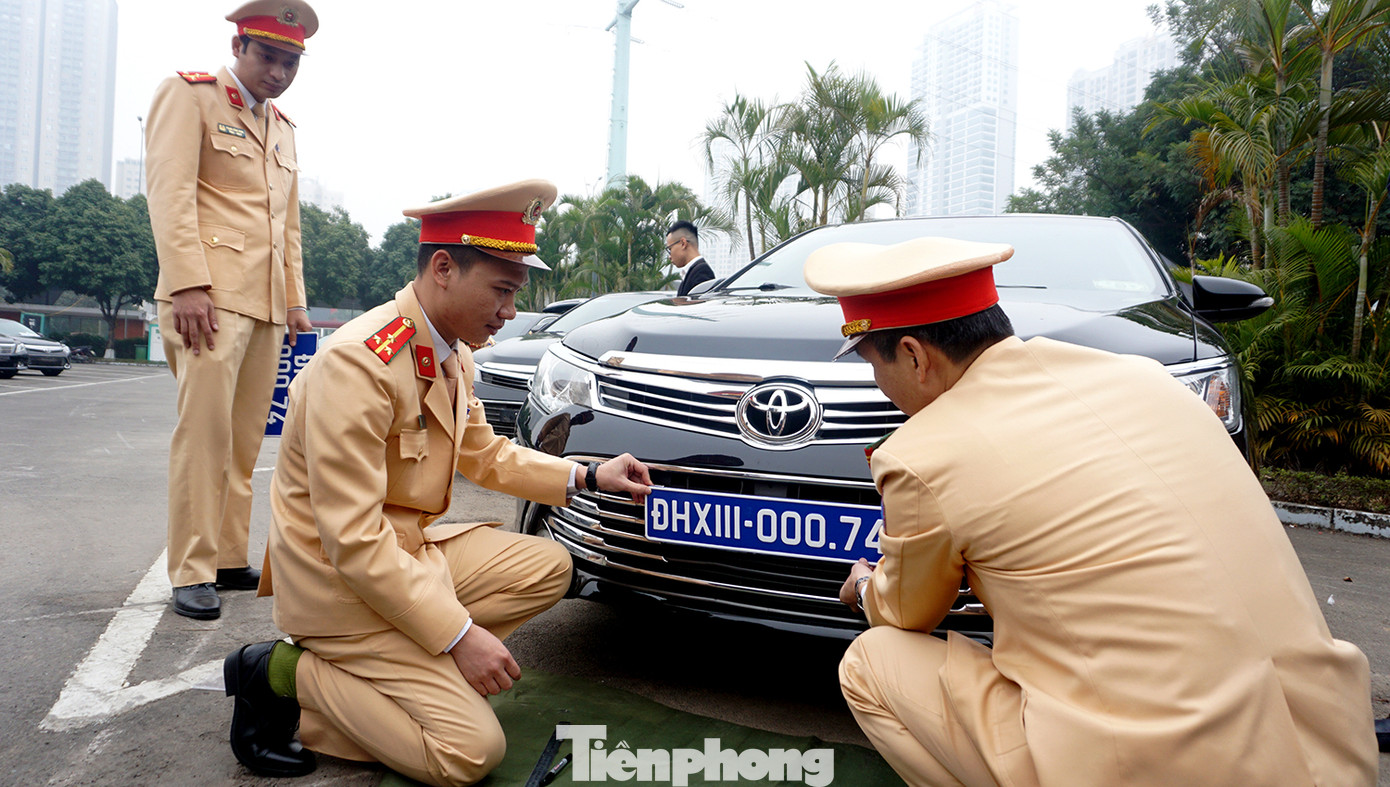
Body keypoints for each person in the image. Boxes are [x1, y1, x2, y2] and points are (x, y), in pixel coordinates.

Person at [802, 237, 1379, 786]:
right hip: (1329, 751)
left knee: (870, 662)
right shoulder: (1144, 378)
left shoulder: (924, 452)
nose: (879, 384)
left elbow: (906, 614)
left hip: (1159, 767)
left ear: (913, 355)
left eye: (872, 364)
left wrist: (865, 584)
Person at [222, 180, 653, 785]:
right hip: (341, 584)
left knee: (551, 566)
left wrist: (586, 475)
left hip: (408, 554)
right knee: (468, 753)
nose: (510, 310)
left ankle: (405, 676)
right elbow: (352, 541)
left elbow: (483, 453)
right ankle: (282, 671)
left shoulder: (451, 349)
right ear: (444, 268)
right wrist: (457, 636)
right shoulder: (357, 364)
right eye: (502, 291)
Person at [144, 0, 318, 620]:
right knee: (204, 435)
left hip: (267, 304)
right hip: (209, 300)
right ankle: (190, 569)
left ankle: (223, 556)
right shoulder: (190, 97)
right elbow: (169, 194)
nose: (278, 71)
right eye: (268, 56)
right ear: (241, 46)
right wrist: (188, 283)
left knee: (245, 441)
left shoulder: (285, 127)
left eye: (290, 61)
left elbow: (287, 226)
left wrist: (296, 302)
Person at [665, 219, 715, 297]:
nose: (669, 256)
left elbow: (699, 307)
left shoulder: (701, 272)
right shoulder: (692, 272)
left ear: (683, 243)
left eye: (670, 249)